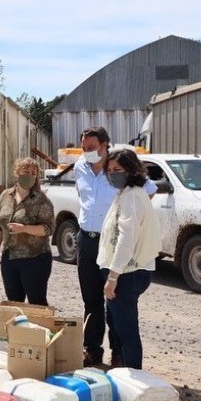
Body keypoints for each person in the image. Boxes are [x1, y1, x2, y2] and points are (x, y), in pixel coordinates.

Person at [75, 127, 156, 367]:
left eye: (92, 148)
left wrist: (127, 216)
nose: (87, 152)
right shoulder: (80, 166)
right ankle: (92, 350)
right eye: (84, 148)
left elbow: (148, 190)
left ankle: (119, 354)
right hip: (86, 240)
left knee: (114, 301)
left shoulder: (118, 169)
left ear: (105, 145)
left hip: (111, 242)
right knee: (91, 299)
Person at [97, 148, 161, 369]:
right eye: (110, 169)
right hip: (123, 270)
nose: (112, 174)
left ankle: (134, 377)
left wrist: (113, 276)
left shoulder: (132, 196)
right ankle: (125, 373)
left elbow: (127, 238)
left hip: (127, 273)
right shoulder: (126, 193)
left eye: (118, 169)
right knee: (116, 323)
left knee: (126, 330)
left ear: (131, 170)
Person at [0, 157, 55, 306]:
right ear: (17, 172)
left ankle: (41, 329)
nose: (30, 175)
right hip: (10, 258)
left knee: (37, 304)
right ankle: (19, 330)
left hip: (35, 258)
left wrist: (24, 228)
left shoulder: (41, 200)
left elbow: (48, 228)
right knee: (14, 304)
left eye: (34, 173)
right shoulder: (5, 196)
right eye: (26, 171)